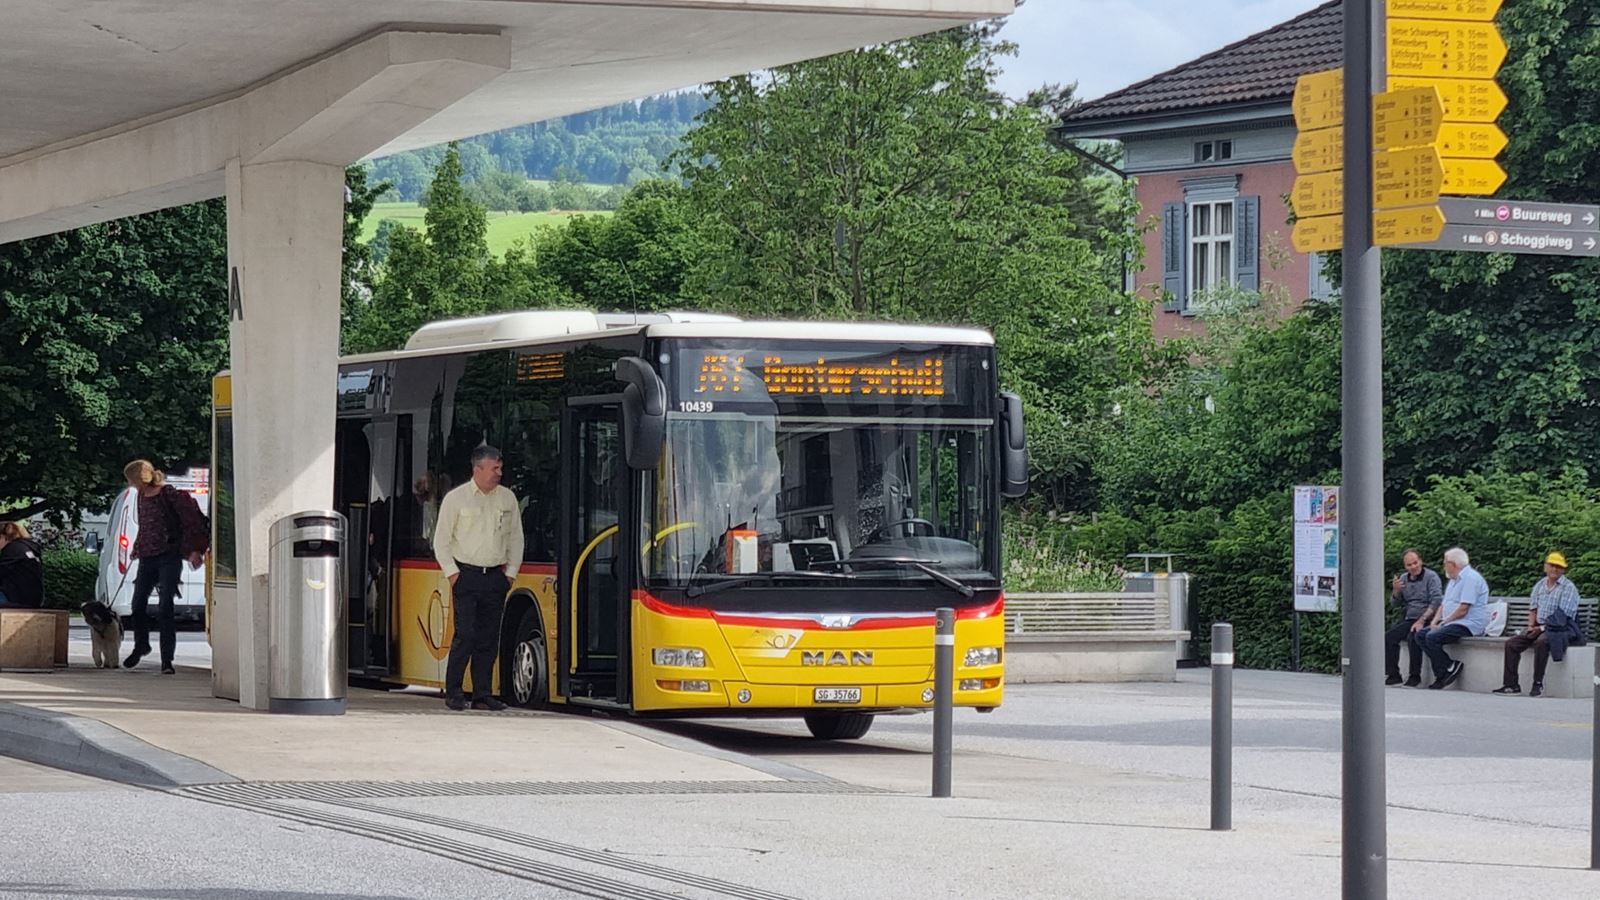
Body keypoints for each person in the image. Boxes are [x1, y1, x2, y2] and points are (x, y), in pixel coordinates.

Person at [432, 445, 522, 711]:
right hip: (466, 575)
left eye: (500, 468)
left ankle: (482, 694)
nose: (499, 473)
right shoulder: (456, 499)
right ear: (478, 469)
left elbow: (516, 538)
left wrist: (511, 574)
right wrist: (453, 573)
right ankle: (455, 692)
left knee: (488, 638)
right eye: (494, 468)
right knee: (466, 635)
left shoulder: (507, 499)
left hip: (495, 576)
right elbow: (441, 540)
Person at [122, 460, 210, 674]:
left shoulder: (169, 494)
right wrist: (138, 546)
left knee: (165, 607)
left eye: (131, 480)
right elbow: (146, 526)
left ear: (139, 479)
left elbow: (191, 521)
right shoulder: (140, 496)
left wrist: (194, 550)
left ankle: (166, 660)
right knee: (138, 604)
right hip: (147, 556)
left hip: (169, 556)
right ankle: (141, 645)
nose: (130, 485)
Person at [1494, 552, 1584, 697]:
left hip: (1561, 628)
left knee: (1542, 642)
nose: (1555, 569)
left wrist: (1541, 628)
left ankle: (1537, 684)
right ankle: (1511, 685)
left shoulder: (1568, 587)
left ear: (1563, 570)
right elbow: (1533, 608)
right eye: (1552, 565)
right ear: (1545, 567)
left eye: (1559, 567)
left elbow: (1563, 616)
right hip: (1540, 626)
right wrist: (1530, 627)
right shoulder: (1540, 585)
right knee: (1511, 644)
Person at [1413, 547, 1490, 689]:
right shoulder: (1454, 580)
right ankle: (1445, 670)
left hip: (1468, 624)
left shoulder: (1471, 579)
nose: (1443, 566)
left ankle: (1447, 668)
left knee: (1432, 636)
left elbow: (1463, 609)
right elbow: (1444, 605)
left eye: (1444, 563)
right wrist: (1435, 621)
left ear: (1453, 564)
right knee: (1421, 635)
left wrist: (1443, 623)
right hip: (1452, 622)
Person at [1385, 549, 1442, 686]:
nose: (1413, 567)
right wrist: (1396, 591)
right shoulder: (1404, 578)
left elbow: (1436, 601)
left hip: (1429, 617)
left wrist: (1422, 620)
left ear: (1420, 561)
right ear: (1405, 566)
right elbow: (1395, 604)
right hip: (1410, 618)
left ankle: (1414, 676)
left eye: (1415, 563)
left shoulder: (1431, 577)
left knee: (1414, 636)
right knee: (1389, 637)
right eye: (1409, 565)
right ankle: (1393, 675)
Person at [0, 521, 45, 609]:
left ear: (3, 537)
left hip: (16, 598)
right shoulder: (28, 548)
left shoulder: (12, 550)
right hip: (33, 598)